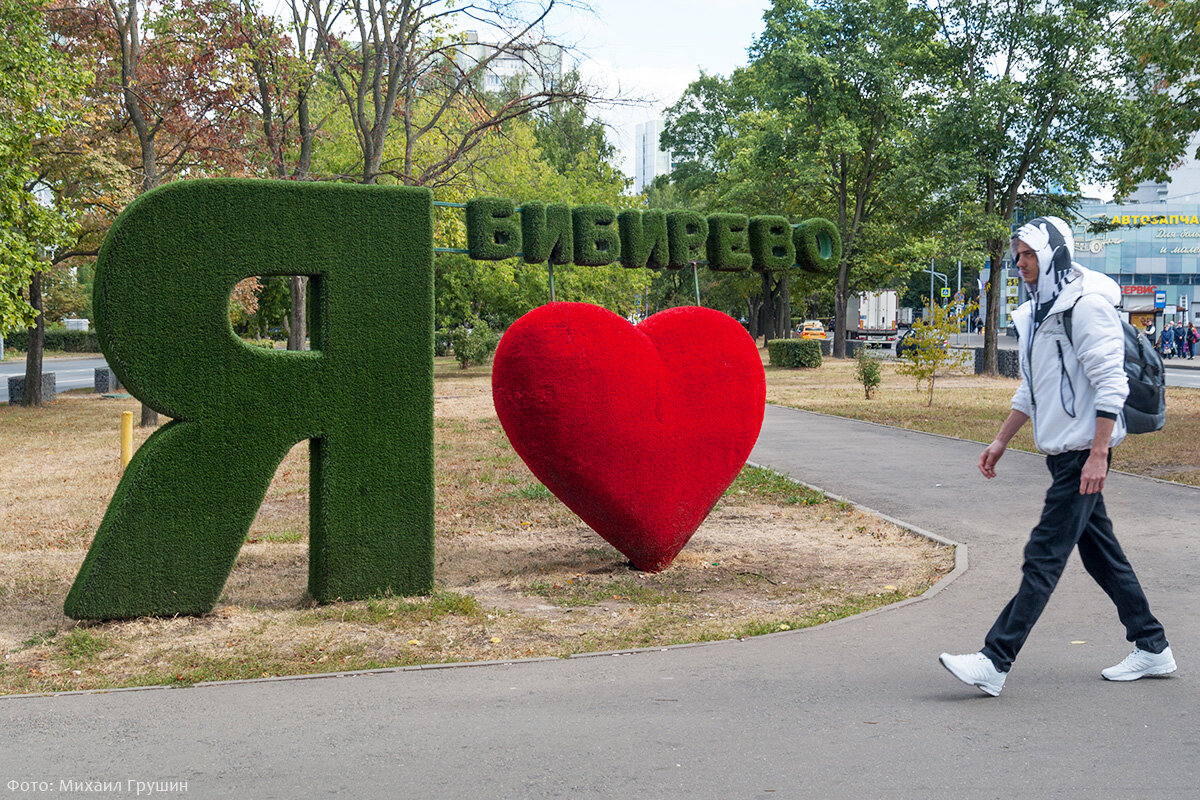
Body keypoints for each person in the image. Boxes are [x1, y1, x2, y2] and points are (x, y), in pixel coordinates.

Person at [939, 216, 1174, 697]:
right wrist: (1001, 439)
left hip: (1083, 454)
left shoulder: (1084, 307)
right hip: (1065, 452)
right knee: (1102, 557)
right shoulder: (1041, 311)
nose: (1020, 263)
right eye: (1017, 255)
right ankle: (1153, 646)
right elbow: (1033, 386)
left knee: (1042, 556)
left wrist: (1098, 452)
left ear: (1054, 255)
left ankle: (994, 659)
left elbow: (1112, 382)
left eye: (1028, 254)